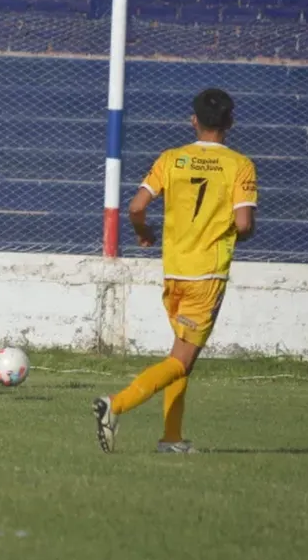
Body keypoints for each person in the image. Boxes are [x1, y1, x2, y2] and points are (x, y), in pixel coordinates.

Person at [92, 88, 258, 453]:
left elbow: (136, 206)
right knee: (180, 361)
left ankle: (171, 438)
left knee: (179, 358)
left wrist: (142, 232)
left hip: (174, 273)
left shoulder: (171, 159)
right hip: (207, 275)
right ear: (230, 122)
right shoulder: (239, 165)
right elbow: (244, 224)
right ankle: (114, 405)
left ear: (193, 120)